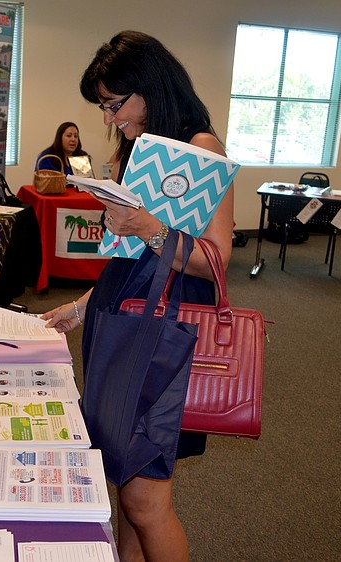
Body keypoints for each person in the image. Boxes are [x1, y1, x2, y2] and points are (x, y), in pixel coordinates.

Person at [41, 31, 235, 562]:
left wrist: (146, 225)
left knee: (147, 502)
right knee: (125, 488)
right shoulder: (143, 149)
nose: (107, 118)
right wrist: (82, 307)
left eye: (113, 104)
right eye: (102, 106)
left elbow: (216, 260)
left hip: (163, 339)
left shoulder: (201, 148)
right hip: (126, 320)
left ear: (149, 88)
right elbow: (130, 263)